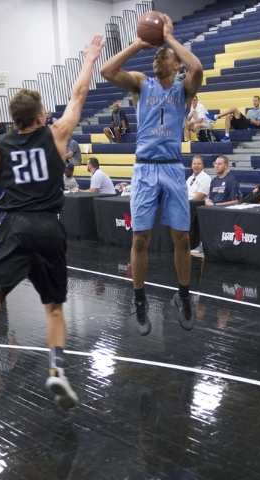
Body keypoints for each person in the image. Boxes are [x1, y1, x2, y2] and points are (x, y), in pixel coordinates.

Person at [0, 34, 105, 417]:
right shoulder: (57, 135)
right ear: (41, 116)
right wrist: (89, 58)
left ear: (14, 120)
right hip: (48, 227)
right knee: (54, 309)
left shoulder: (2, 144)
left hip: (13, 226)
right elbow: (78, 95)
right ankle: (56, 369)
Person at [100, 13, 203, 335]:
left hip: (172, 168)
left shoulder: (184, 90)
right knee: (140, 239)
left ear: (175, 65)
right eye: (156, 55)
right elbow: (106, 71)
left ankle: (184, 295)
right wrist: (138, 43)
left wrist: (169, 39)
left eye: (164, 56)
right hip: (144, 169)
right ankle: (140, 299)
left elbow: (197, 68)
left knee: (182, 238)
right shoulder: (140, 83)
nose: (158, 58)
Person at [191, 155, 241, 255]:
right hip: (213, 208)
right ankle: (202, 244)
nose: (216, 166)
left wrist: (216, 205)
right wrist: (209, 202)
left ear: (226, 166)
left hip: (224, 210)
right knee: (199, 210)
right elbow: (210, 197)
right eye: (216, 164)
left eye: (219, 164)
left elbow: (235, 201)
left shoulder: (231, 180)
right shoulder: (214, 181)